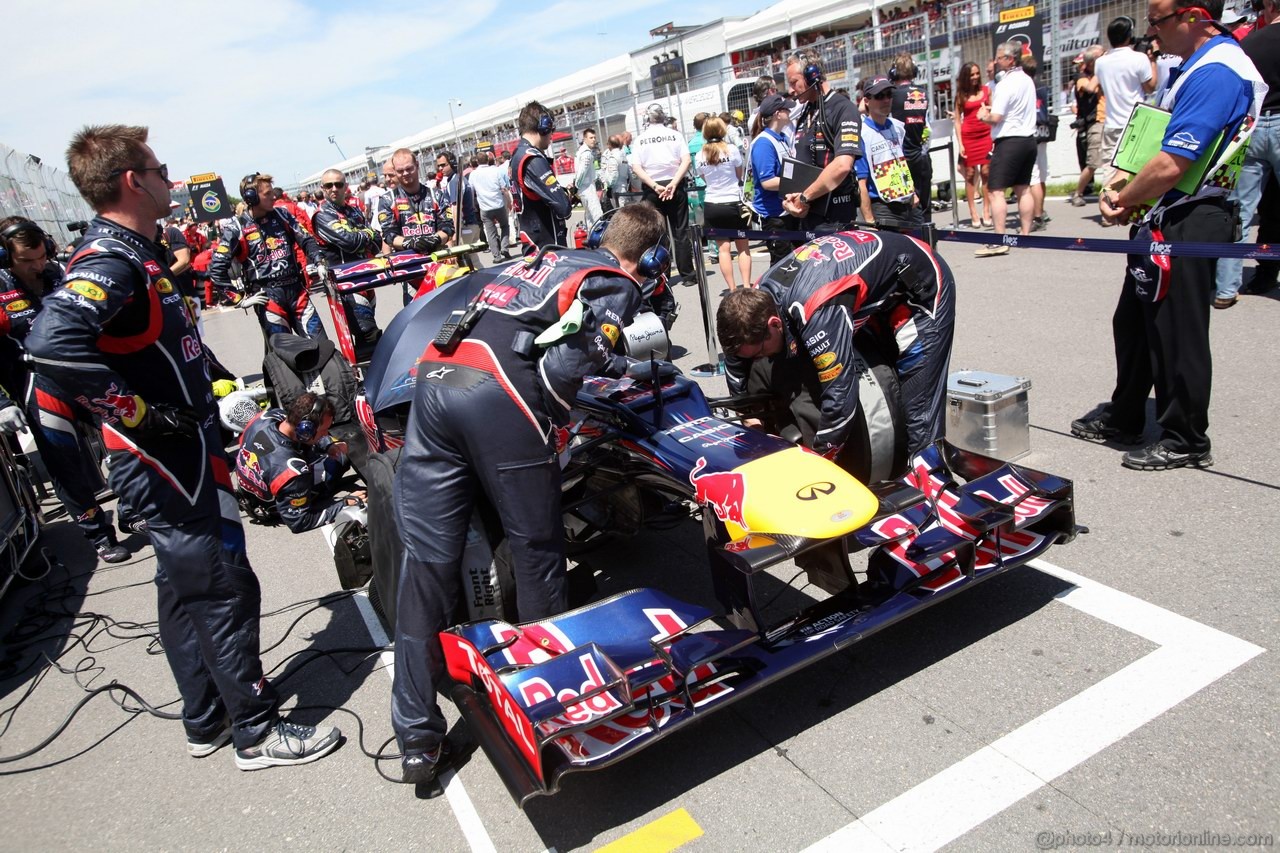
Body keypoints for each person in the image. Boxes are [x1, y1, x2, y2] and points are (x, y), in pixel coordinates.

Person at [25, 124, 341, 768]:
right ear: (131, 181)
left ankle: (206, 717)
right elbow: (50, 343)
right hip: (165, 460)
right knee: (224, 586)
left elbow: (161, 349)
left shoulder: (139, 253)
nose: (173, 180)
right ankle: (255, 730)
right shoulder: (110, 260)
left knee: (184, 589)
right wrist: (137, 410)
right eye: (161, 168)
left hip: (184, 449)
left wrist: (210, 387)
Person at [390, 202, 667, 785]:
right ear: (650, 257)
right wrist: (555, 431)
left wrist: (613, 362)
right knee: (539, 553)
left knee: (426, 572)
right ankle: (552, 710)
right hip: (497, 394)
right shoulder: (615, 281)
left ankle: (417, 738)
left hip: (434, 383)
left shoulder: (546, 258)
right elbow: (565, 368)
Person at [1079, 0, 1265, 470]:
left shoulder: (1220, 70)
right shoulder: (1192, 67)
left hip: (1191, 215)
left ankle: (1185, 438)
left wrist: (1125, 200)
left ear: (1193, 15)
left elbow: (1172, 163)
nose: (1151, 33)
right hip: (1163, 211)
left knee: (1177, 333)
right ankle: (1126, 416)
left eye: (1158, 20)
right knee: (1136, 324)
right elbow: (1154, 145)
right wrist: (1126, 193)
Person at [715, 228, 955, 483]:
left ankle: (933, 486)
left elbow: (840, 398)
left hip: (918, 286)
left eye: (761, 352)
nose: (760, 359)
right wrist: (749, 415)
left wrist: (820, 460)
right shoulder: (756, 299)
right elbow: (736, 361)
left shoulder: (816, 310)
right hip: (858, 284)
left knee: (918, 403)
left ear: (775, 324)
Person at [0, 217, 130, 562]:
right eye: (27, 261)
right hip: (36, 383)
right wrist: (1, 402)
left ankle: (134, 509)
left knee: (125, 439)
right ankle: (98, 534)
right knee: (65, 464)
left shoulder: (59, 274)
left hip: (85, 373)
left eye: (41, 256)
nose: (37, 265)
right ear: (5, 257)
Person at [1214, 0, 1279, 307]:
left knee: (1239, 211)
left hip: (1252, 125)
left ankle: (1226, 288)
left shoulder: (1248, 43)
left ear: (1268, 6)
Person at [210, 172, 326, 340]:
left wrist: (319, 261)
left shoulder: (282, 215)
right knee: (286, 354)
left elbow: (306, 239)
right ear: (251, 198)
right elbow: (217, 269)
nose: (273, 197)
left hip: (297, 290)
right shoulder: (237, 227)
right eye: (267, 194)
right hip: (267, 297)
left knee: (321, 346)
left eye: (272, 192)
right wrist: (238, 299)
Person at [234, 393, 364, 533]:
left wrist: (328, 445)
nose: (326, 434)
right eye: (323, 431)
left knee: (321, 449)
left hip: (251, 485)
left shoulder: (264, 418)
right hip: (274, 504)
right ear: (305, 430)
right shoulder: (292, 470)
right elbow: (300, 522)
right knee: (340, 460)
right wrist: (345, 504)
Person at [781, 50, 864, 232]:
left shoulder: (843, 109)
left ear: (812, 77)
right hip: (808, 218)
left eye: (794, 82)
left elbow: (842, 165)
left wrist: (804, 198)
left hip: (834, 220)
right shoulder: (805, 111)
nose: (790, 90)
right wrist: (791, 200)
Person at [976, 41, 1038, 256]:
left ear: (1011, 59)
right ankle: (1025, 234)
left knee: (995, 191)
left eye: (999, 57)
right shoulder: (1027, 80)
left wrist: (983, 116)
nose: (996, 61)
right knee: (1023, 188)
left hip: (1009, 141)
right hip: (1028, 139)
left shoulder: (1006, 83)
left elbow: (996, 117)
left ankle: (999, 238)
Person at [311, 169, 382, 348]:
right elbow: (350, 242)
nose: (334, 189)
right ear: (323, 189)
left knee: (365, 338)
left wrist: (365, 236)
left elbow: (378, 241)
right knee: (369, 334)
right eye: (329, 185)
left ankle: (368, 373)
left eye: (338, 184)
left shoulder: (355, 211)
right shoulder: (322, 215)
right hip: (345, 284)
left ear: (346, 187)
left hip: (366, 278)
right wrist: (367, 234)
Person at [379, 148, 454, 304]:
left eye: (409, 168)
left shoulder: (436, 194)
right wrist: (410, 243)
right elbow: (389, 235)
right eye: (400, 171)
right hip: (411, 269)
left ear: (417, 166)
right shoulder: (387, 199)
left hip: (439, 265)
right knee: (417, 316)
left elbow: (448, 226)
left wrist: (435, 239)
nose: (405, 173)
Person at [631, 103, 695, 282]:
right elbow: (686, 160)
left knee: (657, 234)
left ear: (647, 119)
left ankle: (661, 276)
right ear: (663, 117)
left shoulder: (641, 139)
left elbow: (636, 167)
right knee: (680, 232)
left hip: (653, 188)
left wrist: (654, 185)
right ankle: (688, 274)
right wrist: (674, 183)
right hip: (674, 185)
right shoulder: (675, 135)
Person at [1095, 16, 1159, 176]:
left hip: (1112, 124)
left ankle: (1108, 200)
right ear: (1129, 34)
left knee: (1110, 173)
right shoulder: (1139, 58)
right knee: (1135, 172)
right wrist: (1153, 60)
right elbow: (1150, 88)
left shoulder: (1100, 62)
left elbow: (1103, 88)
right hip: (1136, 122)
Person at [855, 76, 920, 230]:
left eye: (889, 95)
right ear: (866, 101)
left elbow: (901, 164)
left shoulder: (897, 127)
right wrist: (869, 220)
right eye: (879, 96)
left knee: (926, 246)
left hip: (907, 201)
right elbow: (861, 183)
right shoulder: (862, 133)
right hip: (884, 207)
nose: (886, 100)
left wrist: (913, 192)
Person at [697, 116, 752, 290]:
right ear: (722, 130)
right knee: (743, 247)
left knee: (723, 250)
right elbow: (739, 175)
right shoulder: (732, 150)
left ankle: (732, 288)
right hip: (734, 201)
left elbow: (704, 178)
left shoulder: (700, 155)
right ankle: (747, 285)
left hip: (713, 203)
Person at [509, 101, 572, 252]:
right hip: (547, 246)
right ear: (543, 127)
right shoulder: (532, 158)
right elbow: (564, 208)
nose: (552, 135)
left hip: (533, 238)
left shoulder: (517, 155)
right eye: (551, 129)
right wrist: (567, 196)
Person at [749, 94, 798, 264]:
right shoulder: (763, 143)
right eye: (786, 108)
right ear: (778, 114)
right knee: (781, 265)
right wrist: (801, 182)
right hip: (773, 214)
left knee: (793, 261)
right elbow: (767, 182)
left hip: (787, 209)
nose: (789, 111)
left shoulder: (782, 138)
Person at [889, 53, 934, 221]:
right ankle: (928, 243)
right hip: (920, 156)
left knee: (901, 208)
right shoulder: (923, 94)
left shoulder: (891, 95)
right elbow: (928, 130)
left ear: (893, 73)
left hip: (899, 159)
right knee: (924, 206)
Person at [954, 62, 994, 227]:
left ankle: (986, 210)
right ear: (966, 77)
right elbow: (957, 121)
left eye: (977, 73)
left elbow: (993, 111)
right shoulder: (961, 96)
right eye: (972, 75)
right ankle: (973, 211)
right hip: (969, 136)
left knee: (986, 172)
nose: (976, 77)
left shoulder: (986, 91)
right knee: (970, 175)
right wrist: (960, 144)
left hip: (985, 134)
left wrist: (989, 111)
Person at [1070, 46, 1106, 206]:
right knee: (1092, 163)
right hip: (1096, 123)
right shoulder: (1082, 77)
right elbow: (1090, 89)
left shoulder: (1101, 75)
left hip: (1110, 120)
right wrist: (1101, 71)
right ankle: (1078, 192)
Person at [469, 151, 513, 263]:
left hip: (484, 206)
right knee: (504, 226)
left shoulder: (473, 174)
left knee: (491, 232)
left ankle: (496, 256)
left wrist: (473, 206)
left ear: (477, 161)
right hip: (498, 204)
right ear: (488, 160)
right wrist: (508, 202)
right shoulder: (495, 170)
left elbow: (471, 192)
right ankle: (504, 248)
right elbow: (504, 189)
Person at [434, 151, 479, 244]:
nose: (440, 168)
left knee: (465, 256)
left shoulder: (454, 182)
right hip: (471, 224)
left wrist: (456, 232)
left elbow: (456, 209)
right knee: (472, 256)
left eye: (443, 165)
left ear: (452, 164)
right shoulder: (459, 178)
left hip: (464, 226)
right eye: (438, 166)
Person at [574, 127, 604, 229]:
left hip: (585, 187)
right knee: (597, 215)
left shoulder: (582, 151)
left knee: (590, 217)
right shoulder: (586, 153)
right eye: (591, 138)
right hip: (587, 188)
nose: (593, 140)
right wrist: (576, 186)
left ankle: (591, 240)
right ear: (585, 139)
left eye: (594, 137)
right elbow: (582, 172)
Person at [599, 134, 632, 210]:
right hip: (624, 186)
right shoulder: (623, 155)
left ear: (610, 145)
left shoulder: (613, 157)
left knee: (620, 211)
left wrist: (609, 186)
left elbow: (613, 175)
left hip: (616, 188)